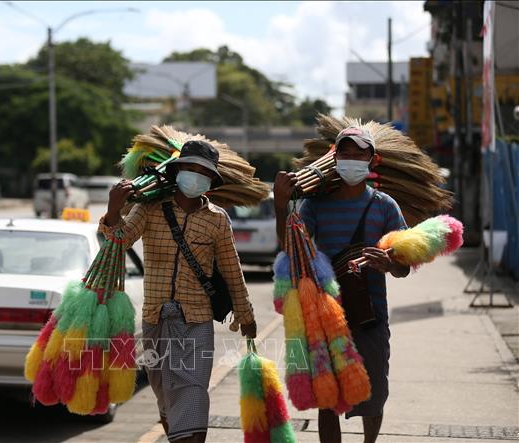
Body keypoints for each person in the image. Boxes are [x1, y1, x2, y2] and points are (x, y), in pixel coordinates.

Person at [100, 140, 257, 443]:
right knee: (167, 400)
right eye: (190, 168)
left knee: (194, 393)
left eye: (203, 171)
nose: (195, 175)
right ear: (177, 170)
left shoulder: (217, 219)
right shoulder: (149, 208)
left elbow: (231, 269)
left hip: (196, 323)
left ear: (211, 181)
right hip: (155, 320)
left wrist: (245, 314)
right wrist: (113, 209)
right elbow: (120, 240)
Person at [274, 126, 410, 443]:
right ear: (334, 159)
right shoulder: (315, 205)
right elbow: (291, 250)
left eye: (358, 154)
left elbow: (404, 266)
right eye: (344, 153)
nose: (351, 159)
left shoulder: (385, 206)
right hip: (326, 317)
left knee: (374, 394)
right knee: (328, 398)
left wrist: (389, 263)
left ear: (372, 160)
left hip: (370, 316)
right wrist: (281, 206)